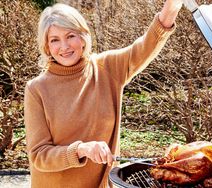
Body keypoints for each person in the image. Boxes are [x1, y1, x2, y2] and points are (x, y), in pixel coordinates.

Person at [24, 0, 184, 187]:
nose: (64, 46)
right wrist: (81, 149)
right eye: (55, 40)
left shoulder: (107, 68)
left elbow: (145, 46)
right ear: (46, 46)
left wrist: (171, 9)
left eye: (70, 36)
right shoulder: (36, 89)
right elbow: (39, 155)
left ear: (83, 37)